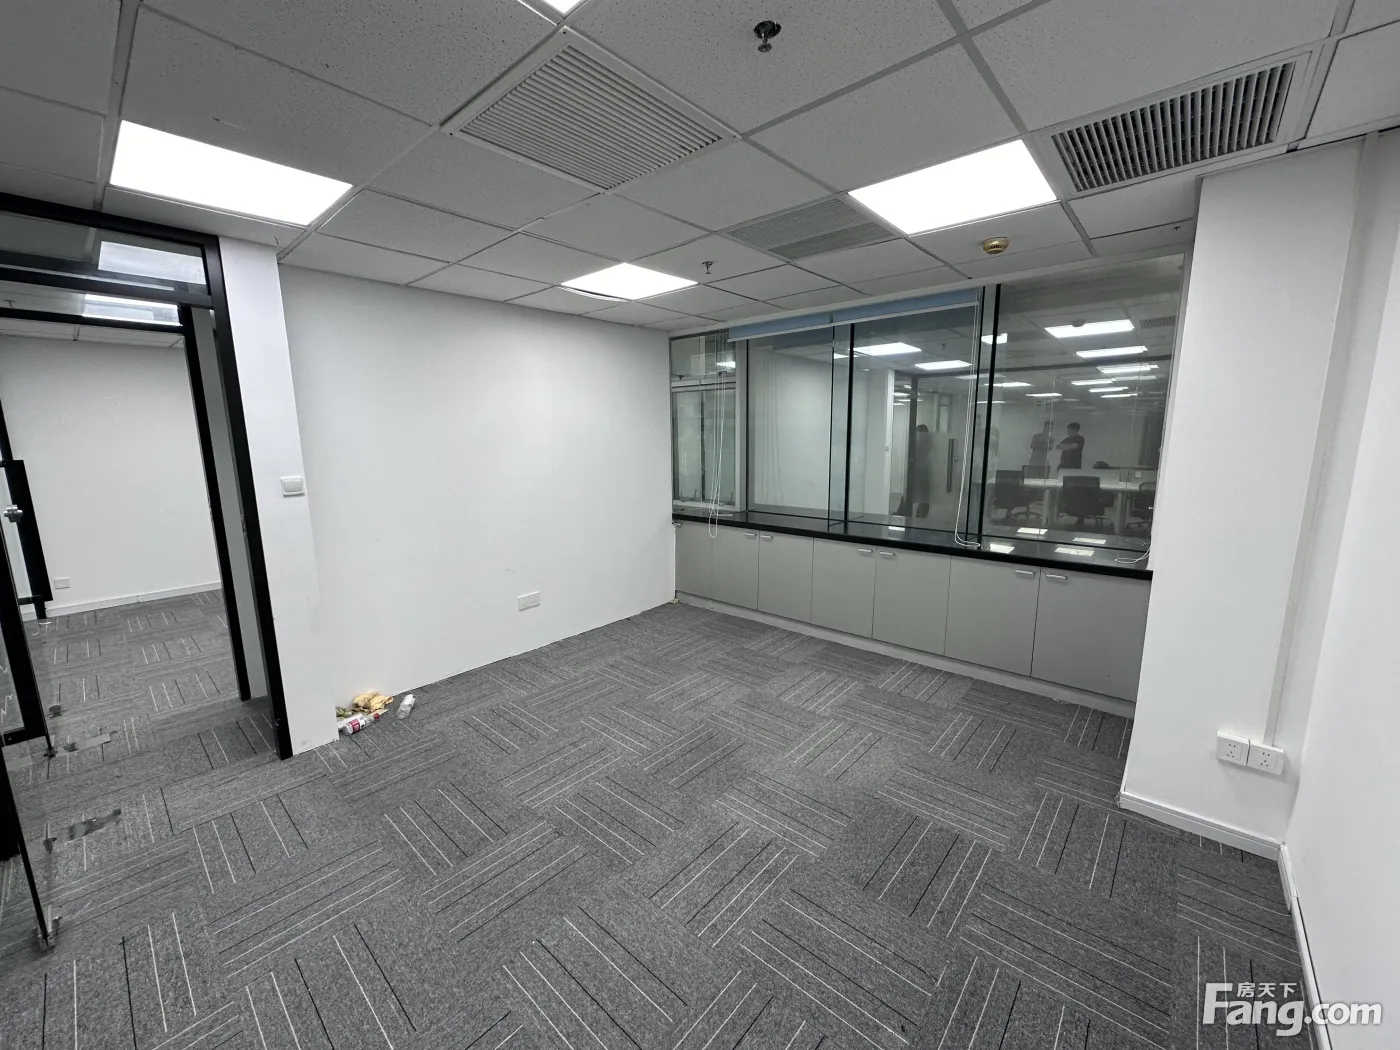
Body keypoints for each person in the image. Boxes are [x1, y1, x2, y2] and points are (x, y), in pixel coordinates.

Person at [910, 424, 934, 518]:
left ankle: (921, 513)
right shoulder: (921, 444)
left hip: (923, 471)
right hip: (918, 471)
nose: (917, 436)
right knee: (917, 493)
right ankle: (919, 513)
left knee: (924, 495)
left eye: (918, 433)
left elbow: (927, 458)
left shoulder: (926, 445)